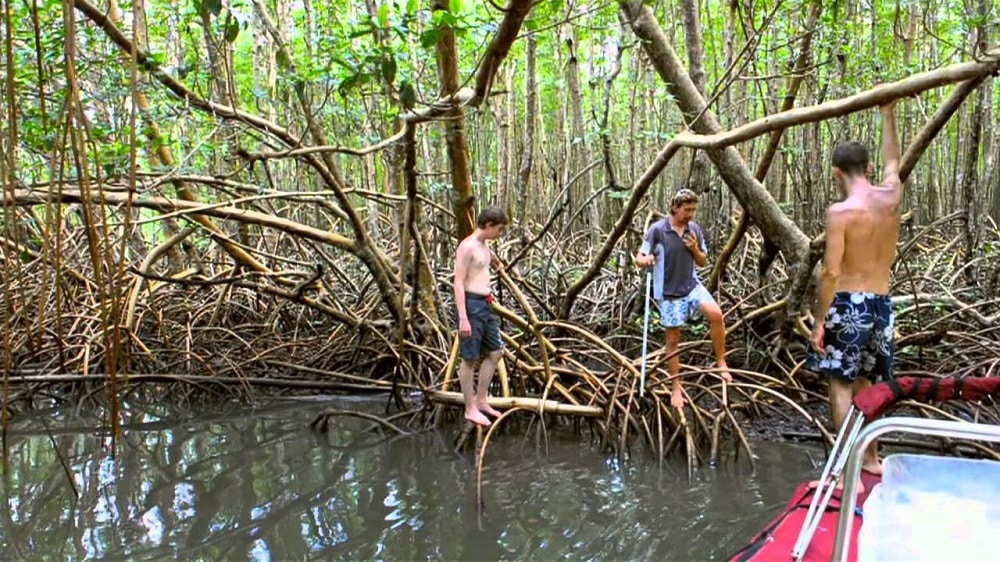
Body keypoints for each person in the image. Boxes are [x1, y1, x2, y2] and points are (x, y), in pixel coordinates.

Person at [807, 99, 901, 484]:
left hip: (848, 306)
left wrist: (819, 322)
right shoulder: (891, 195)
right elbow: (893, 162)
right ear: (868, 168)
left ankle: (846, 475)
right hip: (881, 305)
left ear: (836, 172)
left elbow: (831, 271)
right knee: (868, 384)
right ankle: (871, 460)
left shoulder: (840, 213)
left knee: (841, 388)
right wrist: (887, 114)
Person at [635, 188, 731, 409]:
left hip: (691, 286)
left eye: (693, 210)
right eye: (687, 209)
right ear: (675, 208)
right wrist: (646, 260)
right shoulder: (657, 230)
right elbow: (639, 257)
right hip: (668, 293)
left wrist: (695, 248)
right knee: (673, 341)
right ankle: (676, 388)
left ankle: (721, 361)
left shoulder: (694, 229)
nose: (690, 214)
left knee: (716, 315)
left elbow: (702, 262)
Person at [454, 206, 509, 427]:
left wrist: (496, 262)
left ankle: (481, 399)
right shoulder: (467, 247)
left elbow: (485, 259)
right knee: (469, 359)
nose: (500, 234)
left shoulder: (484, 245)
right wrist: (463, 318)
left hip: (485, 304)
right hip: (471, 306)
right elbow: (458, 282)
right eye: (499, 229)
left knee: (496, 352)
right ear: (488, 225)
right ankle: (470, 408)